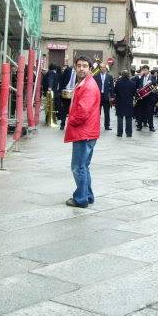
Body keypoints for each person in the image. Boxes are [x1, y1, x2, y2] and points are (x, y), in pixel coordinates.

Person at [64, 56, 100, 208]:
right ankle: (88, 195)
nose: (81, 68)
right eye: (79, 65)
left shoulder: (88, 86)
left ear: (90, 69)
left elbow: (83, 112)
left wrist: (70, 120)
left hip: (83, 132)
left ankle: (80, 199)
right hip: (87, 131)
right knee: (83, 166)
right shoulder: (86, 82)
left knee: (78, 167)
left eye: (85, 66)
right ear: (75, 67)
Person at [135, 65, 157, 132]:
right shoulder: (140, 77)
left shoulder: (152, 77)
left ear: (148, 70)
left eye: (145, 70)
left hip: (149, 98)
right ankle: (139, 126)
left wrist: (151, 84)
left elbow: (155, 85)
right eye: (143, 70)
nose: (144, 71)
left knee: (150, 113)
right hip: (141, 98)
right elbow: (136, 84)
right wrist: (139, 76)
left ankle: (151, 127)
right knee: (140, 112)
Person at [114, 70, 135, 137]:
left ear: (122, 75)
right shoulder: (132, 83)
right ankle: (129, 133)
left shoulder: (118, 82)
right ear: (128, 75)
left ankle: (119, 133)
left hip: (120, 102)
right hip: (129, 102)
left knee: (120, 118)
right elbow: (134, 93)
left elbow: (115, 91)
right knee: (129, 118)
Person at [94, 64, 114, 131]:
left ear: (106, 68)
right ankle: (96, 125)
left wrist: (112, 96)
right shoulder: (96, 77)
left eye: (104, 67)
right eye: (101, 67)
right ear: (99, 68)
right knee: (97, 112)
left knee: (107, 112)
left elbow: (112, 87)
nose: (102, 68)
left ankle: (107, 126)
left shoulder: (110, 77)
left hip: (106, 97)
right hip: (98, 96)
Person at [57, 64, 77, 130]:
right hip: (66, 92)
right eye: (77, 64)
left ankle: (71, 125)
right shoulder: (68, 70)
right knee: (64, 109)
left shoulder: (79, 72)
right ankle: (62, 124)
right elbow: (61, 80)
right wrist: (60, 90)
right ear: (74, 64)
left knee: (73, 110)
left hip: (74, 93)